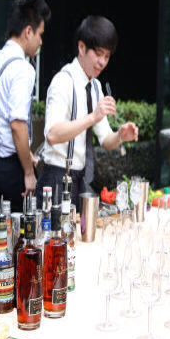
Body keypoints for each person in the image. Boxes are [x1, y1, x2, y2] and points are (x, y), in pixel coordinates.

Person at [37, 15, 138, 207]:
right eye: (98, 54)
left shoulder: (95, 86)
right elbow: (52, 134)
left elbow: (106, 140)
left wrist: (120, 135)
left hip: (81, 179)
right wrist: (93, 116)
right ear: (82, 47)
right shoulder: (63, 81)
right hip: (57, 176)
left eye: (107, 56)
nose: (102, 62)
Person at [0, 0, 50, 228]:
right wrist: (29, 172)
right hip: (12, 169)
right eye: (40, 34)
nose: (41, 42)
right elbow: (17, 124)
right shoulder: (22, 69)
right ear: (28, 32)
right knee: (22, 238)